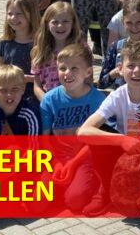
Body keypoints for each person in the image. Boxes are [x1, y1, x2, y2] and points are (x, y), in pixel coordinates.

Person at [80, 40, 140, 211]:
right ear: (120, 69)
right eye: (131, 66)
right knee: (97, 135)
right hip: (127, 152)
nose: (136, 71)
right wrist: (122, 140)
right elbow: (83, 132)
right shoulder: (118, 95)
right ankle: (106, 189)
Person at [39, 44, 107, 215]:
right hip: (57, 159)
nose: (67, 73)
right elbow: (45, 138)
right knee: (36, 205)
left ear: (89, 72)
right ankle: (65, 186)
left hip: (84, 159)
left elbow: (95, 142)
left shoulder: (98, 100)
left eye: (74, 68)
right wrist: (56, 163)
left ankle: (93, 185)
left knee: (75, 202)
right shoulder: (49, 99)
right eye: (62, 68)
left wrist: (73, 164)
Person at [32, 2, 82, 101]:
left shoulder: (81, 48)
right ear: (47, 24)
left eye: (65, 21)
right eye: (55, 22)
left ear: (73, 23)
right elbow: (36, 85)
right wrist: (46, 101)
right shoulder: (39, 50)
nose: (60, 26)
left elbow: (88, 79)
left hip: (76, 101)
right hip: (49, 102)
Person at [0, 0, 40, 95]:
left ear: (31, 14)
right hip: (9, 96)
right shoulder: (4, 42)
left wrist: (28, 79)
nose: (13, 18)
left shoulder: (41, 43)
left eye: (19, 14)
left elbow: (49, 76)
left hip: (33, 95)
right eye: (10, 14)